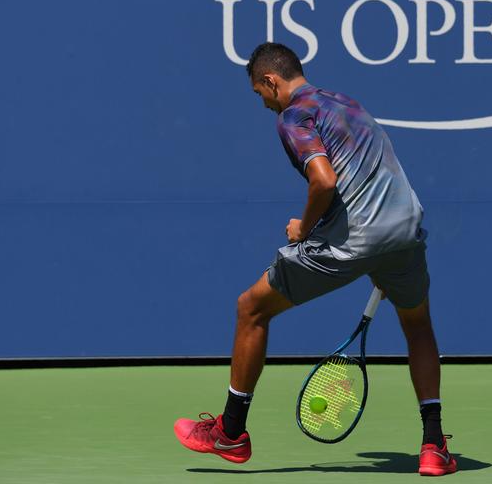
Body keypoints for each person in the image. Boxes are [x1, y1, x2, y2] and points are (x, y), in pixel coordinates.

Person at [173, 42, 457, 477]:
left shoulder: (293, 116)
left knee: (251, 308)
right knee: (417, 326)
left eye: (259, 94)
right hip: (405, 229)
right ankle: (433, 446)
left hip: (355, 238)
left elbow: (323, 181)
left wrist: (304, 228)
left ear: (271, 81)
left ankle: (231, 433)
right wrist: (389, 238)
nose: (264, 104)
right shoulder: (348, 104)